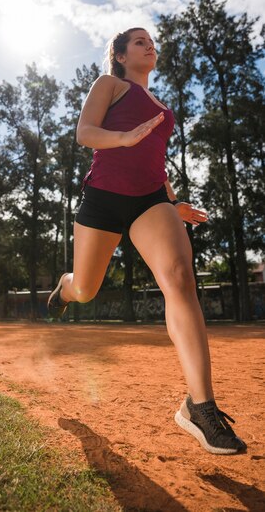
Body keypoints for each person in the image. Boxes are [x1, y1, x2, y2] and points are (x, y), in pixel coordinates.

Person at [48, 28, 247, 455]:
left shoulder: (162, 109)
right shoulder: (110, 85)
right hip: (103, 197)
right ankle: (66, 287)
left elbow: (155, 163)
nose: (149, 45)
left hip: (150, 201)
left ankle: (200, 405)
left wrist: (174, 203)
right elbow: (85, 132)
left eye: (151, 41)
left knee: (179, 277)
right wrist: (123, 138)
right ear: (119, 56)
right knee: (87, 289)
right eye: (138, 41)